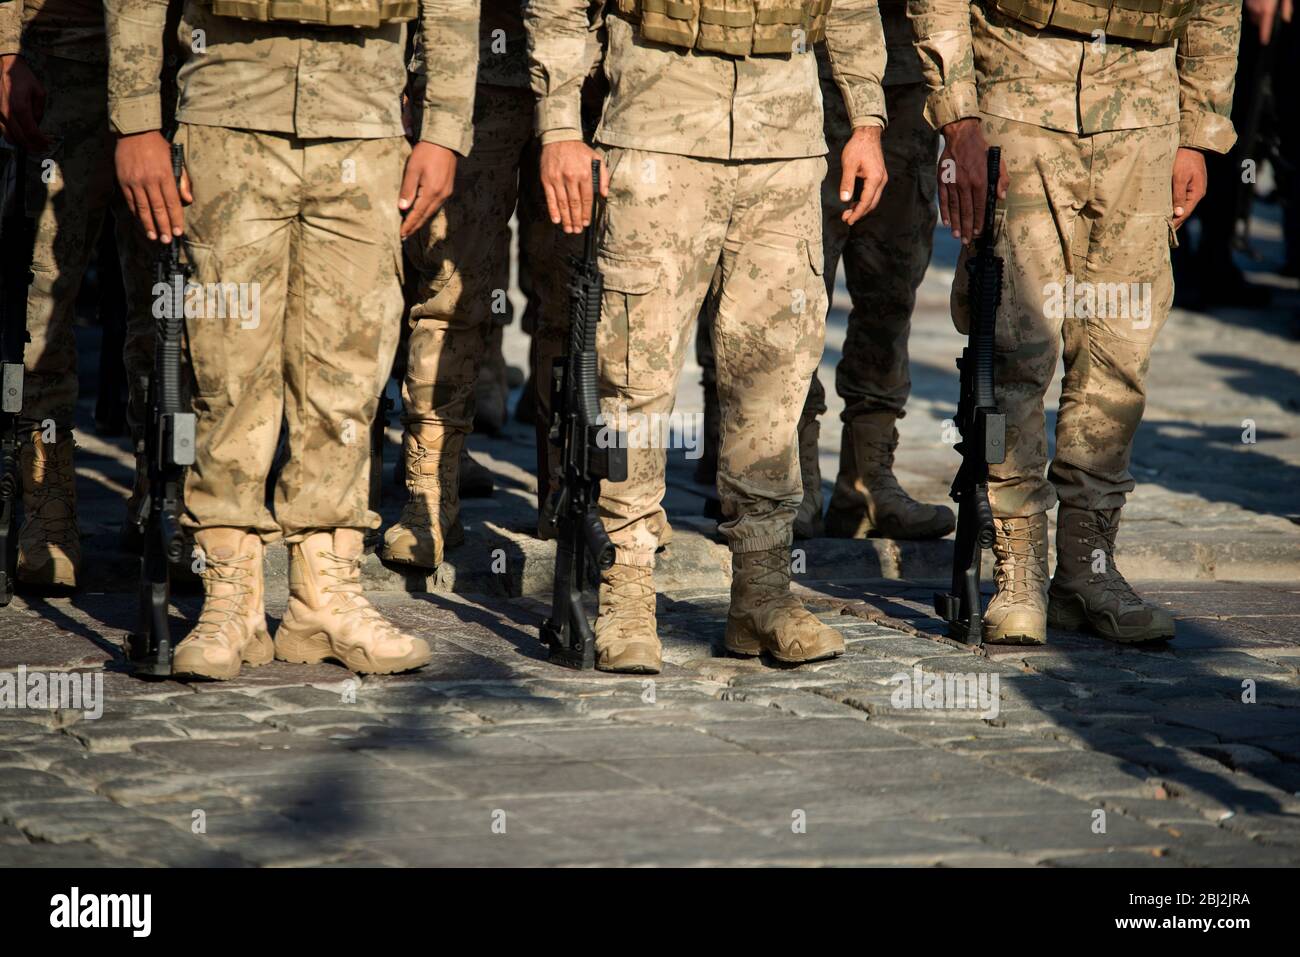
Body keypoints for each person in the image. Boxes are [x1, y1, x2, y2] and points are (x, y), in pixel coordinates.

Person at [106, 0, 478, 679]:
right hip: (230, 109)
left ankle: (324, 595)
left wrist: (444, 128)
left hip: (365, 121)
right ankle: (232, 596)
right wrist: (136, 121)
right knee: (225, 370)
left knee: (349, 373)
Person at [529, 0, 889, 673]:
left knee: (775, 376)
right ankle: (625, 591)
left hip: (785, 134)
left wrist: (866, 120)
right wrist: (558, 124)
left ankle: (763, 592)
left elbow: (850, 5)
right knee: (632, 372)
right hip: (658, 120)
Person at [909, 0, 1242, 643]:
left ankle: (1088, 572)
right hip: (1020, 90)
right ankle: (1018, 569)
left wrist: (1199, 131)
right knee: (1012, 350)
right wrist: (958, 116)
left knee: (1119, 357)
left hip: (1144, 107)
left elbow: (1215, 8)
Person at [694, 6, 956, 543]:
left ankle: (868, 482)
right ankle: (795, 479)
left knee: (891, 290)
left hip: (905, 86)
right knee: (791, 292)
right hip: (800, 77)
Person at [382, 3, 599, 572]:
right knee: (449, 295)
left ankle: (569, 494)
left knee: (577, 303)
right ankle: (428, 499)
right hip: (473, 77)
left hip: (584, 80)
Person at [0, 0, 165, 589]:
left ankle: (164, 491)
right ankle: (47, 506)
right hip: (64, 56)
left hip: (178, 70)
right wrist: (5, 48)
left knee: (172, 304)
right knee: (40, 301)